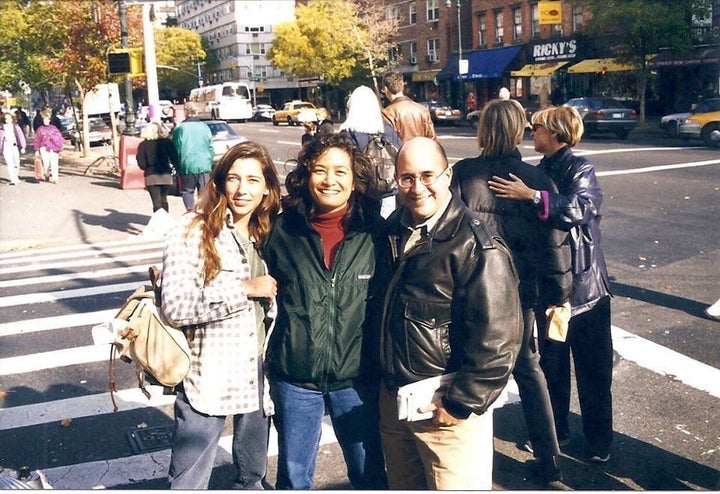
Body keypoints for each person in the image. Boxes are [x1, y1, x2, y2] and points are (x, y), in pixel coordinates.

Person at [378, 136, 522, 490]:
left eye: (428, 175)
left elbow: (499, 339)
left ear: (448, 176)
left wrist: (460, 404)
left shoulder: (477, 244)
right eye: (407, 177)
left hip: (446, 412)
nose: (417, 187)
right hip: (398, 404)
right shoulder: (396, 227)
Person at [451, 99, 572, 484]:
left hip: (472, 289)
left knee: (468, 367)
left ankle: (465, 457)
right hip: (520, 291)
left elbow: (448, 236)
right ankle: (550, 457)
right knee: (528, 368)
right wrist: (559, 294)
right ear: (519, 129)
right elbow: (553, 246)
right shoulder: (534, 181)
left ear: (484, 130)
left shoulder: (464, 175)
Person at [488, 105, 614, 464]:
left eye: (538, 126)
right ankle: (556, 433)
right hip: (550, 291)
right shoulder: (537, 171)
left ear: (557, 132)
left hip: (586, 291)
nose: (532, 130)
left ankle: (599, 443)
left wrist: (533, 196)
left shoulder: (580, 168)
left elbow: (581, 209)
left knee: (594, 373)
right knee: (553, 369)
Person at [263, 134, 387, 490]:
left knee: (368, 476)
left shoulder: (376, 232)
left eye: (340, 172)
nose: (329, 180)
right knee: (294, 478)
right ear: (306, 175)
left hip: (357, 378)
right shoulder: (282, 230)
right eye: (320, 170)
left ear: (354, 179)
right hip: (295, 377)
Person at [161, 141, 282, 489]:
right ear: (219, 182)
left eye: (253, 180)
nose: (242, 190)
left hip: (258, 371)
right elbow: (176, 306)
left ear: (267, 188)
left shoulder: (268, 232)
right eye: (233, 178)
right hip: (209, 372)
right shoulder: (194, 230)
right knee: (188, 480)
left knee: (253, 478)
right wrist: (243, 288)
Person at [339, 85, 401, 217]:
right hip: (387, 186)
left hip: (362, 190)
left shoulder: (349, 132)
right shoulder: (386, 129)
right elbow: (399, 152)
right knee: (386, 221)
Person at [172, 107, 214, 212]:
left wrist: (177, 165)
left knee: (187, 191)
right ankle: (203, 213)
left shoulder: (180, 128)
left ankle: (191, 212)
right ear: (196, 112)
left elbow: (175, 148)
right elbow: (210, 147)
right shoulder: (205, 127)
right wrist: (209, 161)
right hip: (204, 164)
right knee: (204, 193)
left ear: (186, 113)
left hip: (187, 164)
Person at [381, 71, 436, 143]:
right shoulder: (422, 109)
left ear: (385, 89)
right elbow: (432, 138)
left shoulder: (387, 113)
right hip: (422, 152)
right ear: (402, 87)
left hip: (402, 153)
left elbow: (389, 142)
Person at [136, 122, 177, 213]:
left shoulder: (143, 145)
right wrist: (176, 169)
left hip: (151, 175)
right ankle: (166, 220)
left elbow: (141, 161)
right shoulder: (168, 143)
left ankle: (158, 221)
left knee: (156, 202)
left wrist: (147, 168)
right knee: (164, 198)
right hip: (166, 174)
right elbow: (175, 158)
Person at [33, 109, 64, 184]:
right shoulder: (40, 129)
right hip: (44, 148)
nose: (45, 121)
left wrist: (60, 146)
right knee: (46, 163)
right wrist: (36, 150)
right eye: (44, 120)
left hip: (54, 148)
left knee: (54, 163)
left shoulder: (54, 128)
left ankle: (55, 178)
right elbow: (37, 140)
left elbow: (59, 138)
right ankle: (46, 174)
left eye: (47, 120)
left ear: (49, 120)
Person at [0, 112, 27, 185]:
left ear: (12, 119)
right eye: (6, 118)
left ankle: (16, 177)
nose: (7, 120)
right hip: (6, 146)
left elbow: (21, 137)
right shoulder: (1, 128)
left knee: (16, 162)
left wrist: (22, 147)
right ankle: (13, 179)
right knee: (9, 163)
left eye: (9, 118)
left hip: (14, 146)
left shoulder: (15, 127)